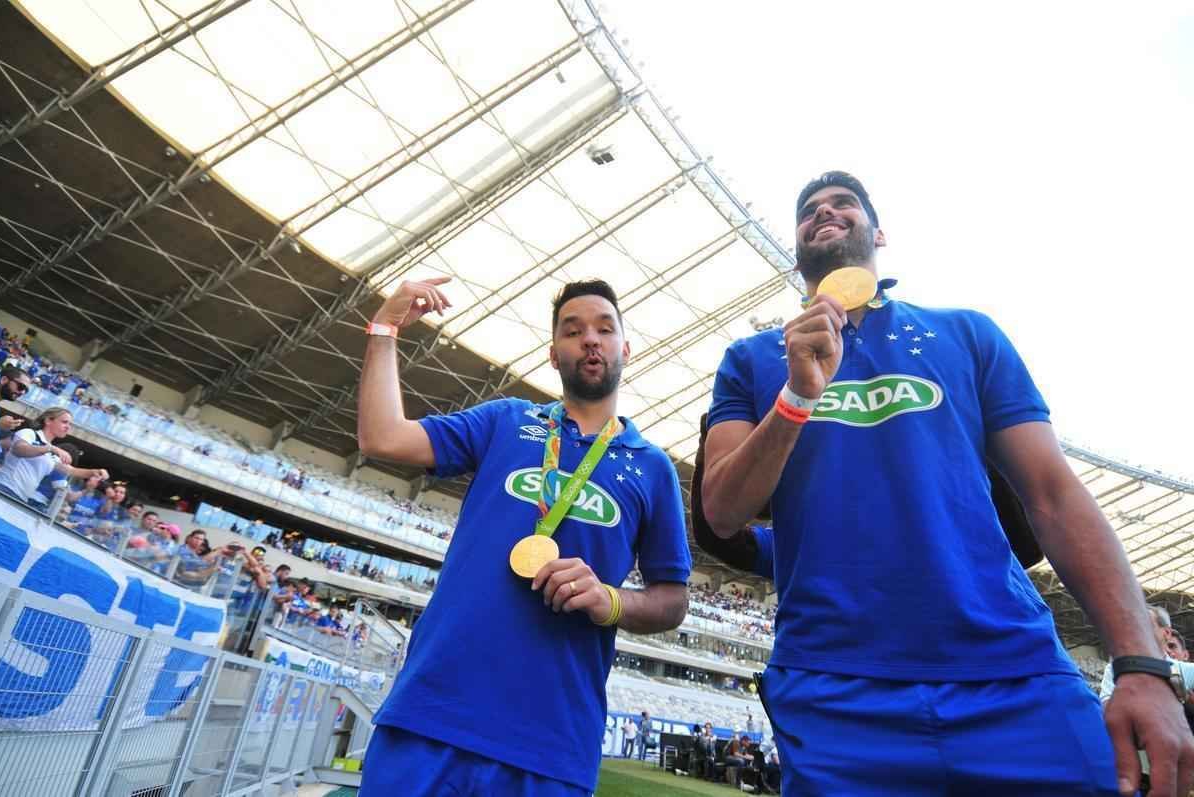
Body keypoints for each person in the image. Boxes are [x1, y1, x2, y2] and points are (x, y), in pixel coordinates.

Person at [700, 171, 1194, 796]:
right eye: (808, 210)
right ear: (798, 243)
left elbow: (1054, 495)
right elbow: (721, 509)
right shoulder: (751, 358)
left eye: (843, 203)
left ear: (877, 232)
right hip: (835, 688)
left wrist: (1143, 667)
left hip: (1014, 675)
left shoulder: (966, 334)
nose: (824, 212)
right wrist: (797, 395)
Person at [357, 277, 691, 796]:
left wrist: (609, 600)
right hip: (432, 714)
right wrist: (383, 330)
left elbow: (671, 601)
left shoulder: (652, 469)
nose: (590, 340)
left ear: (625, 348)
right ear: (554, 355)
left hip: (551, 743)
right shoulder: (505, 421)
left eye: (605, 329)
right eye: (573, 330)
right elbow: (381, 436)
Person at [0, 407, 105, 504]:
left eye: (69, 424)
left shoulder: (54, 452)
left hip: (20, 499)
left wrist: (94, 472)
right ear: (48, 420)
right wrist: (50, 448)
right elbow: (20, 449)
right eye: (64, 422)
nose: (68, 427)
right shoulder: (29, 433)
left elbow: (70, 470)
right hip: (2, 487)